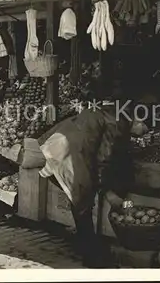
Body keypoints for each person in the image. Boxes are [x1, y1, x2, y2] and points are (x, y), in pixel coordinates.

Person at [37, 81, 135, 268]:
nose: (141, 131)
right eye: (142, 126)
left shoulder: (104, 109)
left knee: (80, 201)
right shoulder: (119, 120)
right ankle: (91, 256)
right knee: (83, 201)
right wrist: (102, 184)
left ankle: (84, 243)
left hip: (61, 145)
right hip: (75, 155)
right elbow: (105, 155)